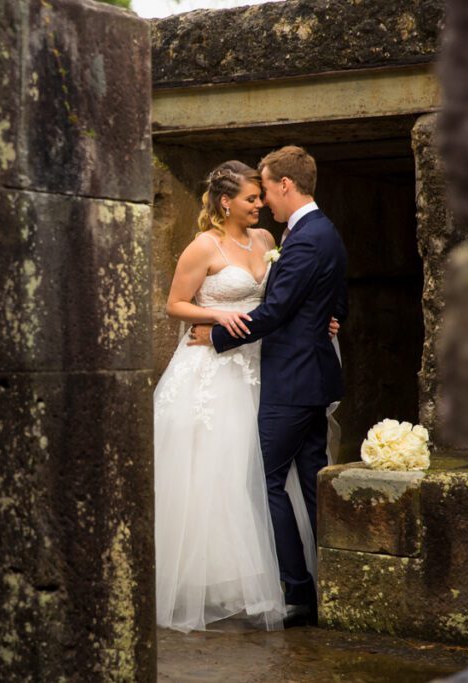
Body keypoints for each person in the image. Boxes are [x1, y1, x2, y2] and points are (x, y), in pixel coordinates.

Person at [154, 160, 340, 632]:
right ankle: (220, 582)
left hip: (261, 366)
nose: (260, 205)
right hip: (213, 368)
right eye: (250, 199)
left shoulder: (268, 242)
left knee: (258, 473)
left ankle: (293, 584)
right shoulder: (203, 246)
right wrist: (215, 320)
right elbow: (175, 304)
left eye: (262, 196)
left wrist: (321, 319)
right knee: (217, 472)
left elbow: (284, 301)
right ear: (225, 201)